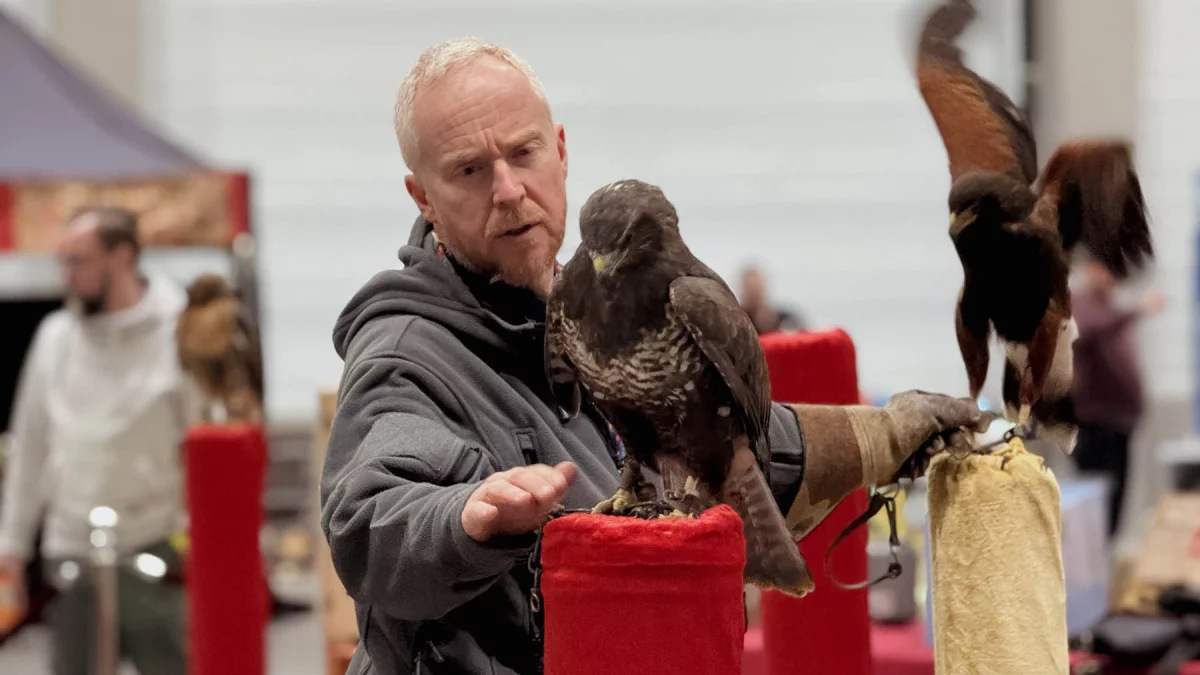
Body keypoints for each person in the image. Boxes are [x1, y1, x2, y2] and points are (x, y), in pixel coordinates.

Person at [321, 37, 987, 675]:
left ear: (559, 151)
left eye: (522, 153)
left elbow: (716, 439)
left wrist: (887, 432)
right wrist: (466, 518)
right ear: (423, 199)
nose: (508, 189)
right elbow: (368, 519)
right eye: (469, 170)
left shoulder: (577, 295)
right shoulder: (406, 353)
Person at [0, 207, 190, 675]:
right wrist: (12, 546)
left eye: (77, 260)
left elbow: (201, 444)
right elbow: (30, 447)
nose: (66, 274)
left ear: (121, 257)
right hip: (73, 553)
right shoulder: (54, 337)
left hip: (156, 549)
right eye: (61, 260)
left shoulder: (179, 332)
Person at [1071, 255, 1164, 537]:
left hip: (1118, 423)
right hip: (1093, 423)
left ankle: (1107, 564)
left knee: (1116, 504)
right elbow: (1087, 329)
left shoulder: (1109, 308)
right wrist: (1135, 310)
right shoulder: (1080, 305)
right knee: (1099, 504)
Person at [739, 265, 806, 334]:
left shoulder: (784, 319)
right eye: (750, 288)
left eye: (757, 287)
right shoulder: (737, 322)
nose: (753, 292)